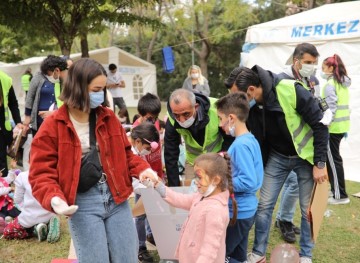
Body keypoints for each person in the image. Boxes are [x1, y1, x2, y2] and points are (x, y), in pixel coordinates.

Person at [28, 58, 157, 263]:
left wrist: (144, 171)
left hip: (117, 198)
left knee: (127, 258)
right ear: (78, 88)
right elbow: (41, 172)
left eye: (103, 89)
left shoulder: (108, 117)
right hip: (83, 203)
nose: (101, 95)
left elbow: (126, 155)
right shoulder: (53, 125)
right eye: (96, 89)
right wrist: (55, 197)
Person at [224, 66, 328, 263]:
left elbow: (320, 124)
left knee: (308, 210)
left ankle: (306, 255)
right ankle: (258, 253)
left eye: (238, 96)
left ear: (252, 90)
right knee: (264, 206)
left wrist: (320, 162)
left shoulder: (291, 89)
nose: (236, 102)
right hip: (277, 157)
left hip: (305, 157)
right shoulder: (251, 106)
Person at [142, 152, 235, 263]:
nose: (195, 182)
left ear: (216, 180)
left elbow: (209, 251)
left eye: (199, 177)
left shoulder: (215, 211)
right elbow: (179, 199)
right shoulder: (201, 197)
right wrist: (157, 185)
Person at [273, 43, 321, 243]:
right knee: (292, 183)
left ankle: (283, 218)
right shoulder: (282, 79)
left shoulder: (313, 81)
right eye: (308, 62)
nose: (312, 66)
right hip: (286, 142)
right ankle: (283, 219)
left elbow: (317, 106)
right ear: (296, 61)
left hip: (305, 142)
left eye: (314, 63)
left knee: (294, 184)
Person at [215, 92, 263, 263]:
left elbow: (248, 181)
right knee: (238, 255)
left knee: (220, 255)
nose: (220, 125)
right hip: (245, 211)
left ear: (231, 118)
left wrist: (219, 182)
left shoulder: (241, 145)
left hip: (238, 213)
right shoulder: (250, 140)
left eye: (221, 119)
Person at [164, 89, 233, 186]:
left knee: (217, 193)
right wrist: (174, 187)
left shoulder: (216, 109)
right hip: (193, 163)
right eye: (177, 115)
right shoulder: (171, 120)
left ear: (196, 107)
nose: (182, 120)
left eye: (186, 114)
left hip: (217, 159)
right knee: (192, 193)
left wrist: (221, 162)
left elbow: (229, 138)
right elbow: (170, 155)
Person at [320, 54, 351, 205]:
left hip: (332, 128)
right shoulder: (341, 83)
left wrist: (325, 125)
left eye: (323, 67)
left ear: (331, 68)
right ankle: (336, 191)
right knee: (334, 159)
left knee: (332, 160)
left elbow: (331, 108)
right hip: (341, 127)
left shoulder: (330, 84)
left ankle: (340, 196)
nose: (321, 70)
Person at [129, 122, 160, 263]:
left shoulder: (137, 151)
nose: (148, 152)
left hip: (138, 187)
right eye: (147, 148)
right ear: (137, 141)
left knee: (143, 213)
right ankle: (139, 248)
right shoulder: (128, 151)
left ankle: (142, 242)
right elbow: (133, 182)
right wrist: (152, 187)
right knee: (138, 216)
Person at [3, 168, 61, 242]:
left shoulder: (22, 176)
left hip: (30, 217)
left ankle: (34, 230)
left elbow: (17, 200)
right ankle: (48, 224)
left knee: (7, 232)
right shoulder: (52, 173)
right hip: (50, 213)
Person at [23, 55, 69, 137]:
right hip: (40, 120)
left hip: (57, 118)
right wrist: (27, 116)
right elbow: (30, 97)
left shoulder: (62, 79)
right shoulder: (38, 77)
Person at [0, 70, 24, 176]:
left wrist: (18, 122)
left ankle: (3, 189)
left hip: (2, 131)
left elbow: (13, 103)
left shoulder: (5, 79)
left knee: (2, 164)